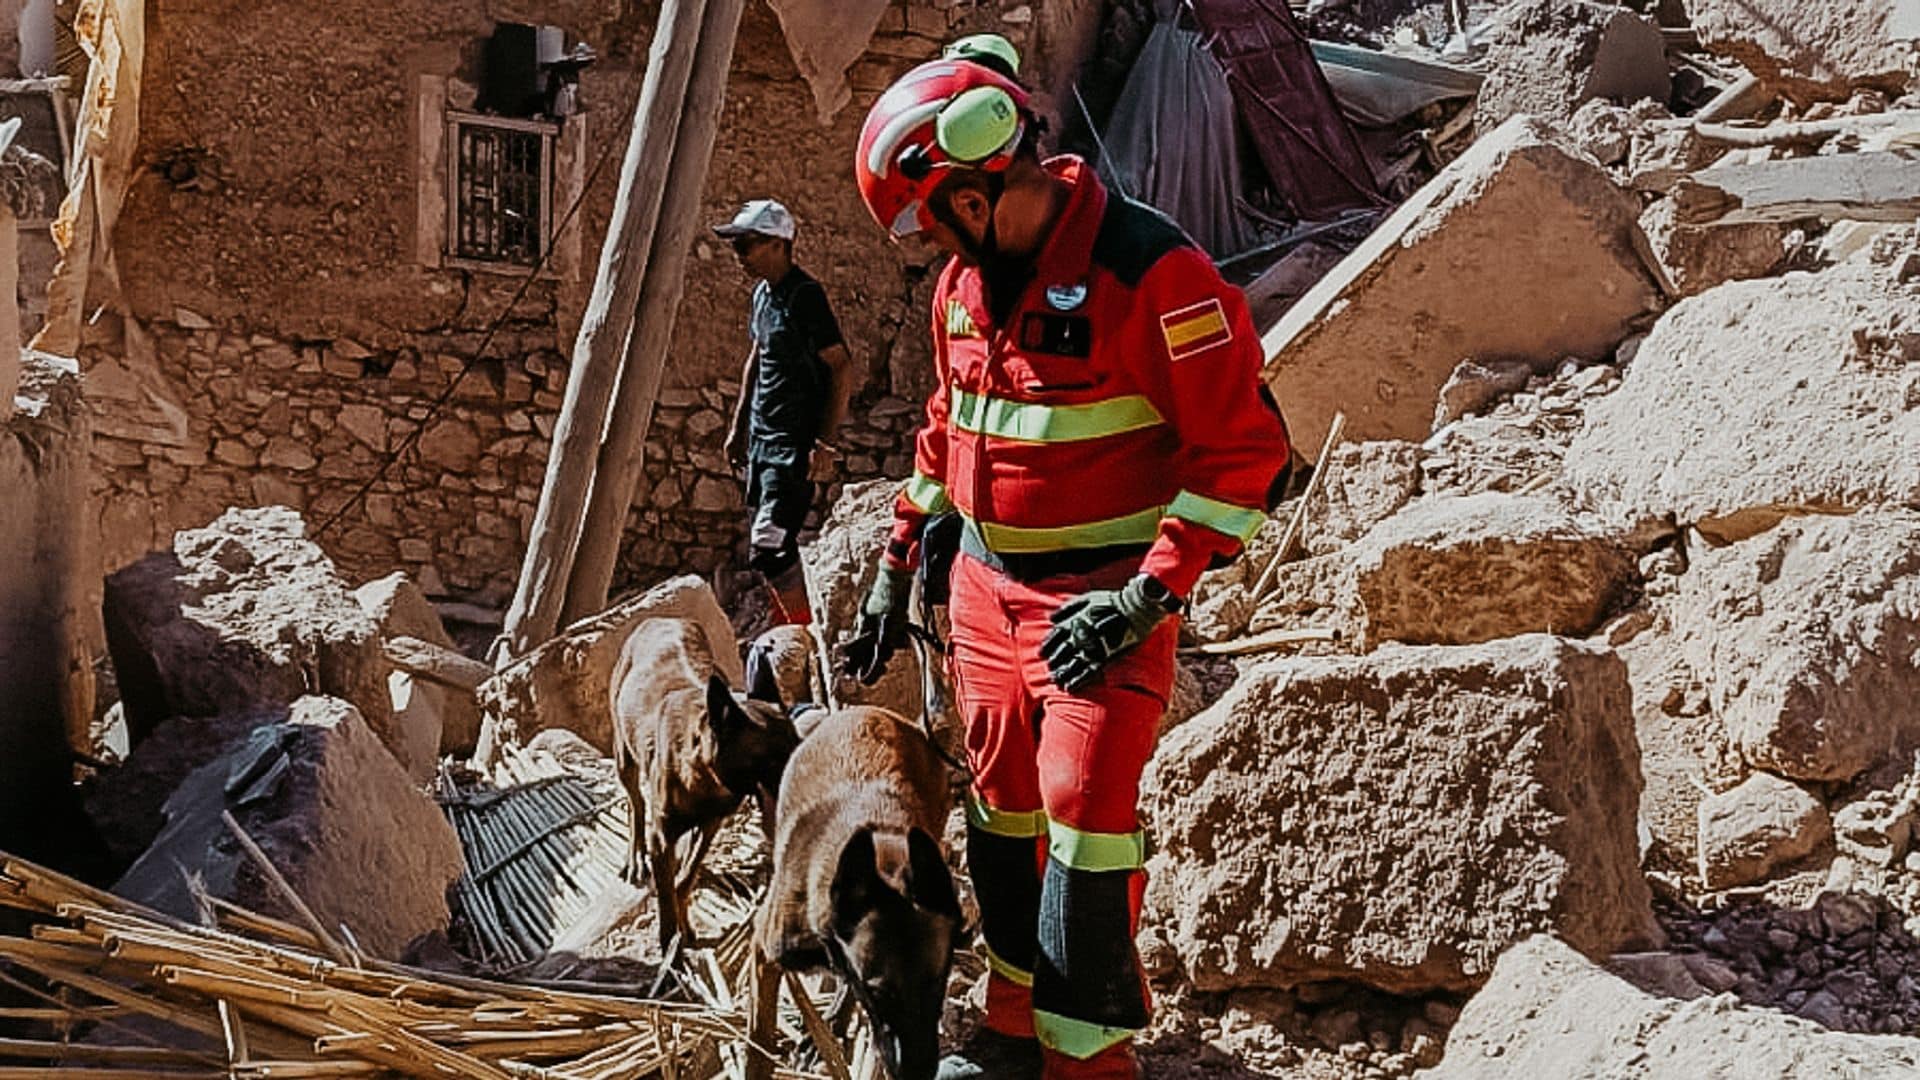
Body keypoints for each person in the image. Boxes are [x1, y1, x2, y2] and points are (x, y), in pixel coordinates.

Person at [844, 58, 1293, 1080]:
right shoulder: (966, 288)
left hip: (1099, 603)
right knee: (1002, 820)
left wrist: (1146, 598)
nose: (924, 255)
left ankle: (1088, 1060)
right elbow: (948, 432)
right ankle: (1014, 1028)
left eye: (925, 224)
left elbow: (1244, 454)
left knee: (1084, 823)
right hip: (983, 595)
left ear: (970, 192)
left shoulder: (1153, 276)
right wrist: (893, 561)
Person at [714, 199, 854, 625]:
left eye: (746, 245)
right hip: (762, 441)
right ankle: (787, 626)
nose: (739, 256)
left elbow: (841, 365)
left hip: (792, 444)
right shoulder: (763, 295)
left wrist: (825, 442)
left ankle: (803, 629)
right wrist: (738, 428)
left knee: (770, 547)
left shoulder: (805, 297)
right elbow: (756, 360)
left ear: (778, 244)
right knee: (769, 546)